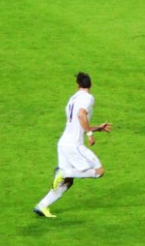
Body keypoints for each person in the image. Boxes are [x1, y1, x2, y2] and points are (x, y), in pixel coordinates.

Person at [33, 72, 112, 218]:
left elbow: (77, 123)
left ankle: (42, 205)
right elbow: (81, 115)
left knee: (67, 183)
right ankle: (63, 172)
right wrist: (90, 134)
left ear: (77, 85)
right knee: (99, 171)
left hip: (63, 144)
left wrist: (97, 128)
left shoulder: (72, 99)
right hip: (74, 145)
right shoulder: (88, 97)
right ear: (91, 84)